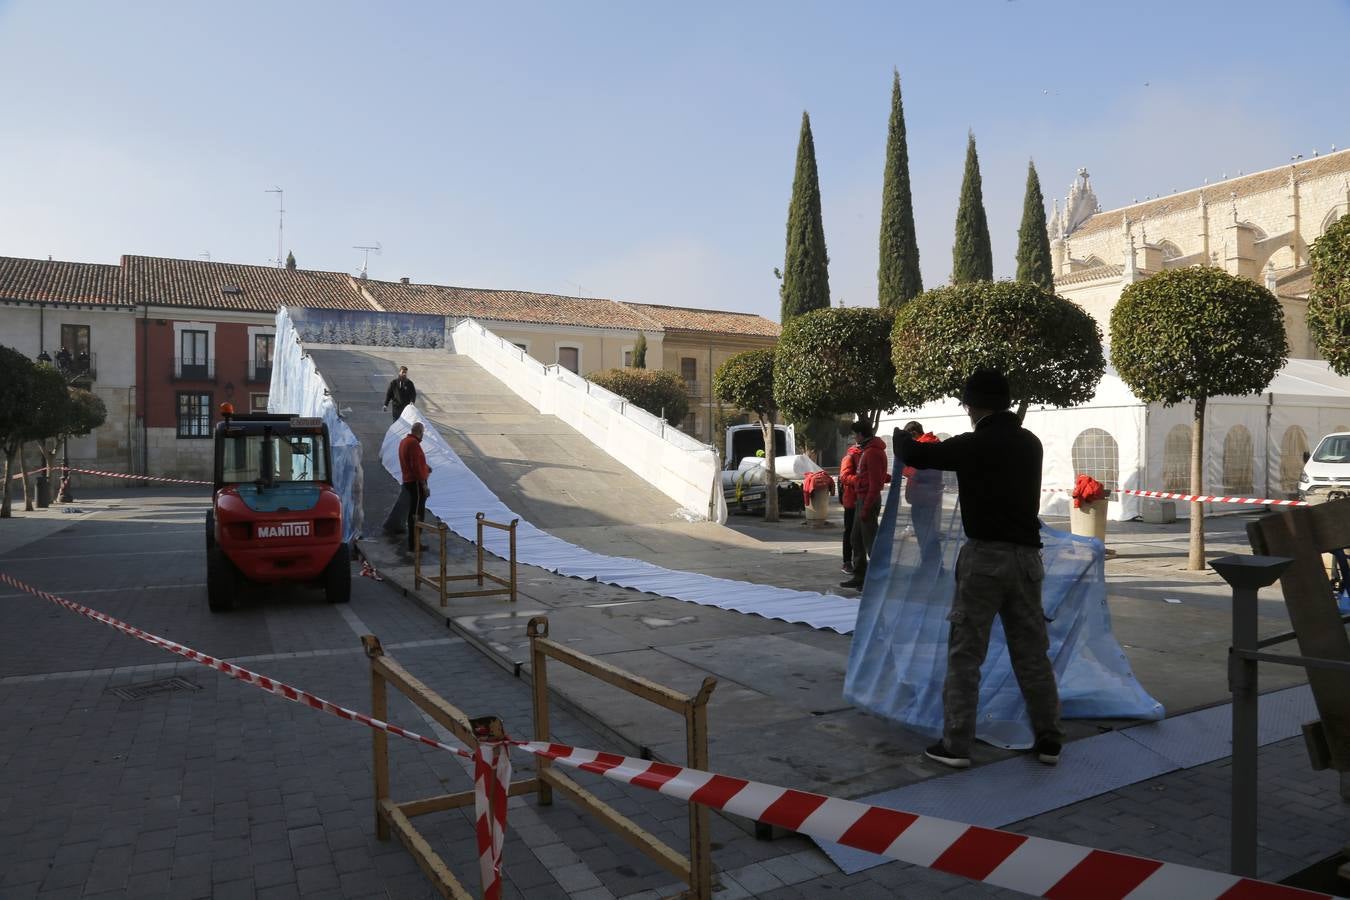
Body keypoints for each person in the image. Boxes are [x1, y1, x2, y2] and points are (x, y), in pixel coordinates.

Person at [896, 369, 1063, 769]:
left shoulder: (973, 444)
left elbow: (917, 455)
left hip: (984, 560)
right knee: (1031, 652)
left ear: (973, 405)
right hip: (1027, 561)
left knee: (966, 653)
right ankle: (1049, 738)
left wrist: (900, 435)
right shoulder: (1030, 443)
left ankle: (956, 744)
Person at [839, 420, 888, 589]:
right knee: (856, 538)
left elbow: (874, 483)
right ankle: (860, 575)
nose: (854, 437)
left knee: (870, 541)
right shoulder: (867, 451)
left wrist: (866, 506)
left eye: (855, 434)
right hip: (862, 498)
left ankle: (878, 578)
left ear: (860, 434)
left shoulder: (872, 452)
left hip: (868, 498)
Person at [902, 421, 944, 569]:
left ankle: (931, 567)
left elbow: (913, 471)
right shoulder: (930, 445)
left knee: (925, 535)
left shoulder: (923, 446)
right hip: (926, 497)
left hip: (923, 498)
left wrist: (904, 466)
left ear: (913, 434)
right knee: (927, 534)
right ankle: (932, 566)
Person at [398, 422, 432, 553]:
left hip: (410, 481)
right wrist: (424, 485)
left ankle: (414, 542)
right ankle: (414, 543)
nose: (423, 436)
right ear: (420, 432)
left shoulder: (405, 441)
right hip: (415, 483)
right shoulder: (413, 444)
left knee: (414, 511)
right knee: (417, 513)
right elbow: (415, 466)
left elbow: (414, 462)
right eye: (422, 433)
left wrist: (425, 467)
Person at [838, 436, 863, 575]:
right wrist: (862, 480)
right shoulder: (851, 456)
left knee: (861, 532)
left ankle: (859, 562)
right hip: (851, 500)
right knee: (850, 531)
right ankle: (847, 561)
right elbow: (844, 477)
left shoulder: (868, 453)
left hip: (863, 498)